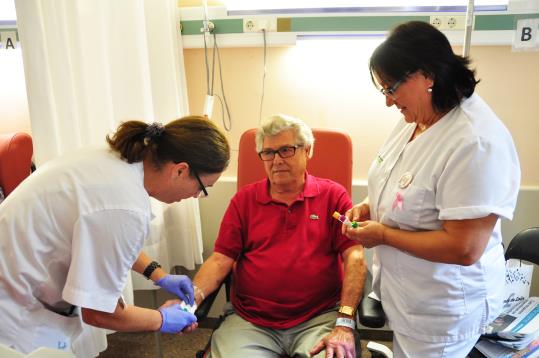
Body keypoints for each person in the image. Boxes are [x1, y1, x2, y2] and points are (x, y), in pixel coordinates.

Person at [342, 21, 521, 357]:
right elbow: (403, 182)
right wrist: (369, 206)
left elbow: (464, 248)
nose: (388, 102)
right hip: (408, 298)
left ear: (426, 75)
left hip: (445, 311)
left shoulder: (475, 143)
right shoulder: (416, 117)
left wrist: (382, 234)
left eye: (391, 88)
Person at [0, 116, 230, 356]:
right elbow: (98, 312)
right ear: (180, 170)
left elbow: (103, 239)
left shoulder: (118, 161)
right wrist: (161, 319)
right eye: (202, 189)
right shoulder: (125, 205)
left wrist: (159, 275)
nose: (195, 196)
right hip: (15, 318)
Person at [192, 114, 367, 358]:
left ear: (307, 151)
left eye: (286, 150)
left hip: (319, 318)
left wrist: (345, 321)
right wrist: (188, 303)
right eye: (268, 153)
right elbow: (220, 260)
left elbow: (355, 255)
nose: (276, 161)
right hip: (250, 322)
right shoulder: (244, 201)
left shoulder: (333, 196)